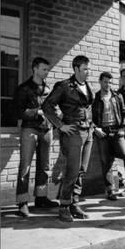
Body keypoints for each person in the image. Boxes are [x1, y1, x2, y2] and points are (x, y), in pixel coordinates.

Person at [42, 55, 94, 223]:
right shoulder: (64, 86)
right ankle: (64, 206)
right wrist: (60, 125)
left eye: (88, 68)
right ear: (76, 69)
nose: (88, 71)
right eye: (85, 69)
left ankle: (74, 203)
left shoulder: (87, 86)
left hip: (88, 132)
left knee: (81, 170)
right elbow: (47, 105)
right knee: (72, 171)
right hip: (73, 132)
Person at [13, 57, 59, 217]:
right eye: (44, 69)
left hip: (46, 130)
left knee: (44, 166)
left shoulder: (48, 89)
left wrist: (57, 113)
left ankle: (41, 198)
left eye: (47, 69)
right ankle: (22, 203)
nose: (47, 72)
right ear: (35, 69)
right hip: (30, 130)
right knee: (25, 166)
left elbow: (53, 107)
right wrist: (35, 112)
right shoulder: (23, 88)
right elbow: (17, 112)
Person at [92, 72, 125, 201]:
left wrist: (122, 128)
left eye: (110, 82)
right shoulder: (96, 97)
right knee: (106, 161)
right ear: (100, 82)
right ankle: (110, 190)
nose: (108, 84)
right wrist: (95, 128)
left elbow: (124, 112)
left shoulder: (117, 96)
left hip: (117, 131)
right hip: (102, 132)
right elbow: (89, 115)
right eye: (105, 82)